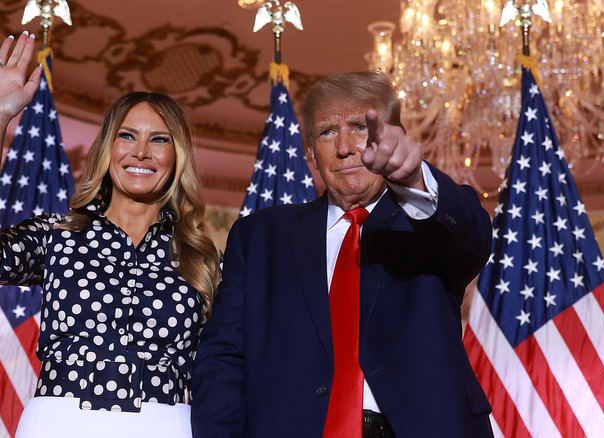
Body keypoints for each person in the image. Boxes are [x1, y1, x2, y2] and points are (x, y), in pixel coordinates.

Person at [190, 70, 494, 438]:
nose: (346, 146)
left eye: (360, 127)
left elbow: (473, 237)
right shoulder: (260, 237)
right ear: (310, 154)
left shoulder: (426, 220)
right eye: (327, 132)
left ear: (394, 139)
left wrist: (414, 179)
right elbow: (223, 359)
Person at [0, 32, 221, 437]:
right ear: (107, 147)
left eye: (159, 140)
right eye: (127, 135)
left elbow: (221, 366)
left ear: (176, 155)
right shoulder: (59, 235)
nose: (141, 152)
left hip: (165, 424)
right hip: (61, 422)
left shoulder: (201, 256)